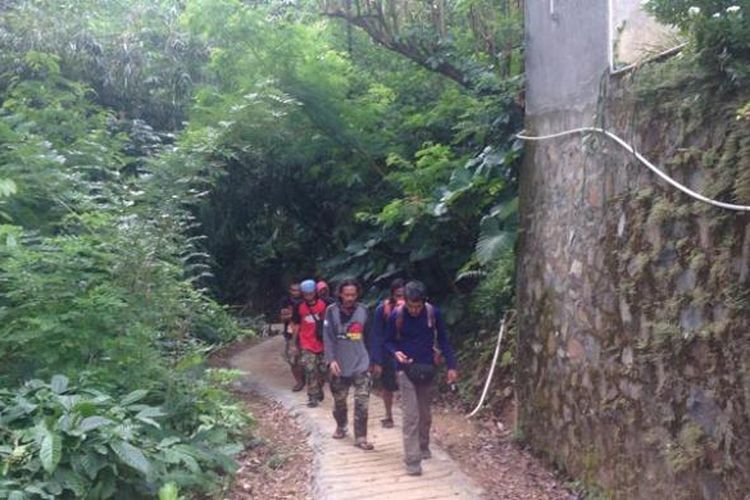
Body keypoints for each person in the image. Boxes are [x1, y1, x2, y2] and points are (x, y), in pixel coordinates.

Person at [384, 280, 458, 476]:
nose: (414, 310)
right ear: (405, 302)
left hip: (427, 369)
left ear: (424, 302)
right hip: (405, 369)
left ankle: (424, 445)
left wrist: (452, 365)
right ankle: (412, 460)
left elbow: (443, 339)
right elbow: (388, 341)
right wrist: (395, 353)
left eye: (418, 306)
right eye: (411, 306)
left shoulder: (433, 313)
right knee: (411, 416)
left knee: (425, 414)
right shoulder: (396, 315)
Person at [323, 278, 374, 450]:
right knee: (340, 401)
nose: (350, 298)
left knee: (362, 401)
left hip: (361, 362)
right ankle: (341, 425)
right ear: (340, 294)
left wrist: (373, 361)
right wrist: (331, 360)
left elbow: (371, 337)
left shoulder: (364, 311)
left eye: (353, 294)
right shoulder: (331, 311)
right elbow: (327, 337)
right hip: (339, 364)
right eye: (347, 295)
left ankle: (361, 437)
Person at [370, 278, 405, 429]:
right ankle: (388, 415)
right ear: (392, 295)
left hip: (408, 351)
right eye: (398, 295)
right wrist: (376, 360)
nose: (401, 299)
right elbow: (377, 335)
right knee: (387, 386)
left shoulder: (418, 309)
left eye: (404, 295)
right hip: (388, 353)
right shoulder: (382, 310)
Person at [291, 279, 328, 407]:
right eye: (306, 294)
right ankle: (312, 396)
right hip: (306, 342)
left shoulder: (324, 304)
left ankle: (319, 388)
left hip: (321, 342)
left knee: (323, 370)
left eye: (311, 293)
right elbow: (296, 324)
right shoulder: (299, 306)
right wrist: (293, 343)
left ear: (315, 292)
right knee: (310, 369)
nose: (308, 296)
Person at [279, 281, 304, 392]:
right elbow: (283, 317)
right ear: (290, 291)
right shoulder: (286, 301)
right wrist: (294, 316)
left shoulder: (306, 300)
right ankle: (299, 381)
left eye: (298, 290)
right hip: (290, 332)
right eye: (294, 290)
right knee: (293, 359)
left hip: (306, 333)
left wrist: (291, 315)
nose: (296, 292)